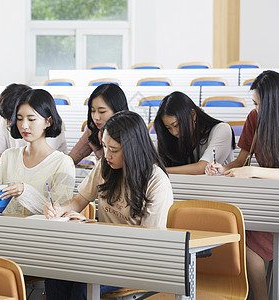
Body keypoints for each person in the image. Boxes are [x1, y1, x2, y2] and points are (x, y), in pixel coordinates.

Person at [205, 70, 279, 300]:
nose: (256, 109)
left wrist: (252, 171)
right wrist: (222, 169)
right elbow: (240, 161)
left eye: (260, 104)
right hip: (263, 198)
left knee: (246, 236)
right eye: (254, 103)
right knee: (231, 227)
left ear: (275, 103)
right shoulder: (254, 118)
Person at [44, 111, 173, 300]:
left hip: (137, 262)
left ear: (132, 149)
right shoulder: (105, 166)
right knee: (57, 274)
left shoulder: (157, 182)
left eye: (114, 149)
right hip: (103, 254)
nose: (107, 154)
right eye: (104, 146)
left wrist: (92, 225)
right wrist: (58, 209)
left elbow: (148, 242)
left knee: (83, 284)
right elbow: (79, 200)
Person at [0, 83, 67, 164]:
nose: (8, 124)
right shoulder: (7, 120)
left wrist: (5, 159)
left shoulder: (45, 122)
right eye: (5, 119)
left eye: (12, 119)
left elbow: (41, 158)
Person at [154, 91, 235, 174]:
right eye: (168, 128)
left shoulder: (221, 130)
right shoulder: (168, 137)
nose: (174, 132)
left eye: (176, 125)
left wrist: (161, 171)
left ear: (193, 115)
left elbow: (202, 168)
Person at [68, 83, 129, 165]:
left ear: (117, 110)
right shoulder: (93, 129)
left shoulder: (131, 130)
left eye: (102, 112)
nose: (96, 117)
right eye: (92, 111)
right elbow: (74, 157)